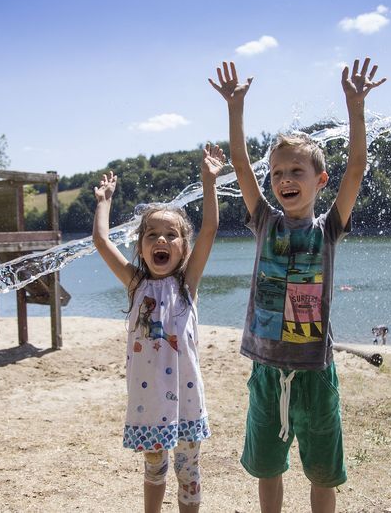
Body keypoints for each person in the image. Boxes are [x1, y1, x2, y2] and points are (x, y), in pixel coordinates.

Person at [209, 58, 386, 513]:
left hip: (315, 372)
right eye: (278, 174)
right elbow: (241, 166)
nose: (284, 179)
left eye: (296, 172)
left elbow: (357, 170)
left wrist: (355, 108)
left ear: (319, 181)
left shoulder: (327, 231)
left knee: (322, 472)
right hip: (267, 370)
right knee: (268, 468)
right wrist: (235, 108)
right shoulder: (264, 222)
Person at [92, 144, 226, 513]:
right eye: (151, 235)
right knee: (154, 471)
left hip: (186, 401)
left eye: (171, 235)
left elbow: (211, 229)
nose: (161, 241)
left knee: (188, 472)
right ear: (141, 246)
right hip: (149, 402)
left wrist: (209, 181)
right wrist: (104, 201)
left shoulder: (187, 285)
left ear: (184, 248)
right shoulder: (135, 284)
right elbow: (102, 242)